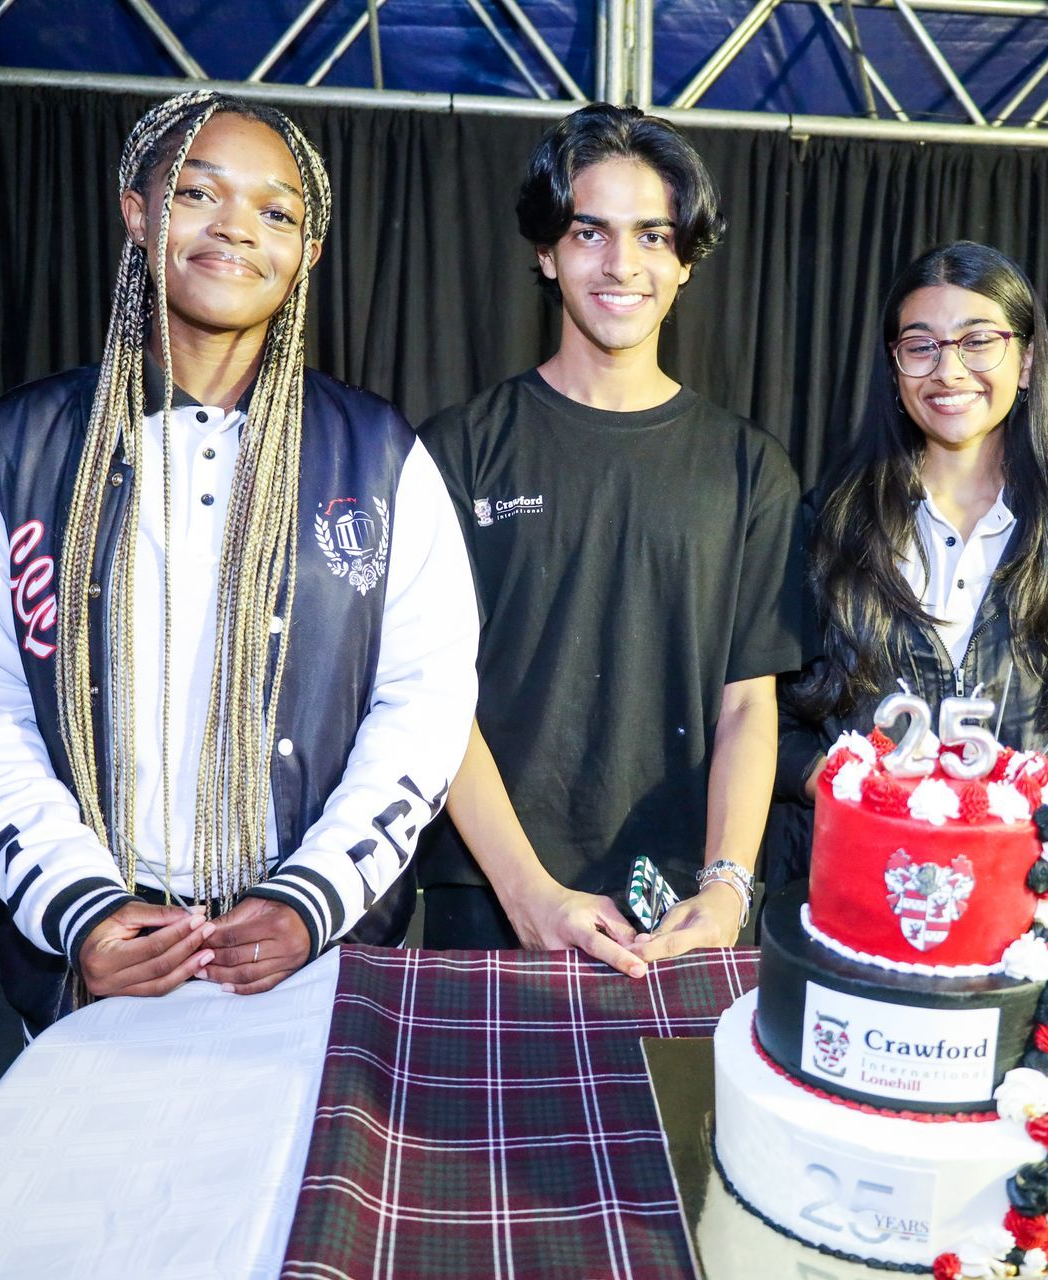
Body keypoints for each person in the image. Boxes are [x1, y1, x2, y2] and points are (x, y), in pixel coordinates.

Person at [0, 92, 479, 1036]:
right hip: (98, 955)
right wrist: (77, 906)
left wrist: (312, 897)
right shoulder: (22, 446)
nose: (237, 229)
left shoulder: (376, 454)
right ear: (137, 210)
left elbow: (426, 697)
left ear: (307, 252)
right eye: (200, 193)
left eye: (277, 212)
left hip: (316, 953)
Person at [417, 105, 803, 975]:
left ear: (686, 262)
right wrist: (525, 892)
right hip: (491, 898)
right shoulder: (456, 451)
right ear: (546, 253)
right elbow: (430, 697)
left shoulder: (750, 469)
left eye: (653, 236)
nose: (622, 263)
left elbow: (749, 704)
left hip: (679, 915)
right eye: (590, 231)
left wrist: (730, 885)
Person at [774, 242, 1048, 936]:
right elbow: (764, 715)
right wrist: (863, 795)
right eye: (920, 346)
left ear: (1027, 359)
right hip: (859, 897)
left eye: (979, 341)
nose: (948, 370)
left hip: (1024, 913)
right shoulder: (826, 527)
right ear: (893, 369)